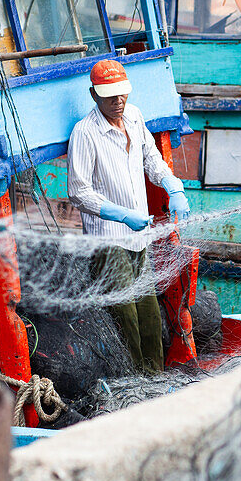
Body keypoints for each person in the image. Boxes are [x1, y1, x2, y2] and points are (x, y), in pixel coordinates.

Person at [67, 59, 190, 372]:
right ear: (94, 95)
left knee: (150, 317)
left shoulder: (134, 117)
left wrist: (171, 184)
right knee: (127, 322)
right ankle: (133, 386)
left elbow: (152, 159)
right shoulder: (85, 132)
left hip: (139, 239)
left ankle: (156, 380)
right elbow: (78, 192)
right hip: (109, 244)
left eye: (121, 93)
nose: (117, 101)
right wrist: (120, 214)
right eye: (109, 95)